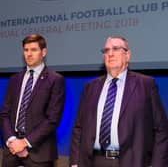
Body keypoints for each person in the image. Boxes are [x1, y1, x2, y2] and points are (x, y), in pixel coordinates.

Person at [69, 35, 168, 167]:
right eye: (106, 50)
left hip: (132, 162)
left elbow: (161, 129)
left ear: (127, 55)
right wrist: (75, 162)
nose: (110, 54)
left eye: (115, 49)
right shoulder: (91, 87)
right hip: (93, 161)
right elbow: (78, 127)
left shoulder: (146, 85)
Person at [0, 33, 65, 167]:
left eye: (34, 50)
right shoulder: (14, 79)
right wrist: (13, 141)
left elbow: (52, 119)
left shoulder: (55, 80)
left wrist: (24, 143)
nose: (29, 54)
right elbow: (5, 114)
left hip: (39, 154)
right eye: (26, 50)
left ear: (43, 52)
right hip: (11, 151)